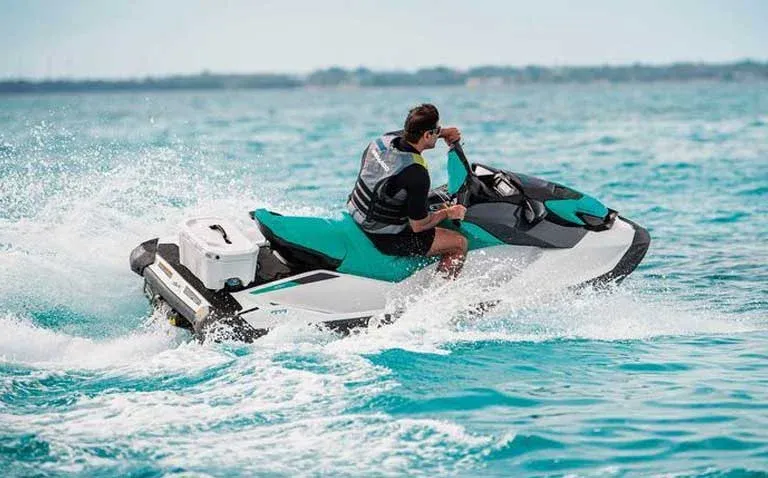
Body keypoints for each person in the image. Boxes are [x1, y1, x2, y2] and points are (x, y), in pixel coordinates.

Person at [347, 103, 468, 278]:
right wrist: (449, 213)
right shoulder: (416, 173)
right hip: (383, 236)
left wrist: (442, 133)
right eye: (436, 129)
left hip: (358, 212)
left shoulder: (383, 141)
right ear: (427, 135)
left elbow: (414, 133)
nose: (438, 131)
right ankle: (440, 297)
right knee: (458, 243)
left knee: (431, 203)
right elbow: (419, 226)